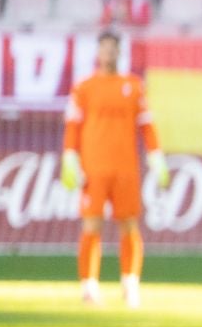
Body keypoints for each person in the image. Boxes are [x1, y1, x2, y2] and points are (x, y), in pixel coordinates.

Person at [61, 30, 171, 308]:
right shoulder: (83, 87)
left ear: (119, 53)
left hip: (125, 168)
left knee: (129, 225)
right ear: (97, 53)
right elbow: (73, 126)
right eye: (104, 49)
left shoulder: (133, 86)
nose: (108, 53)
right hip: (94, 167)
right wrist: (70, 158)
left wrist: (156, 157)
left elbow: (147, 125)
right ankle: (89, 285)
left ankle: (130, 283)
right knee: (91, 225)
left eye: (113, 49)